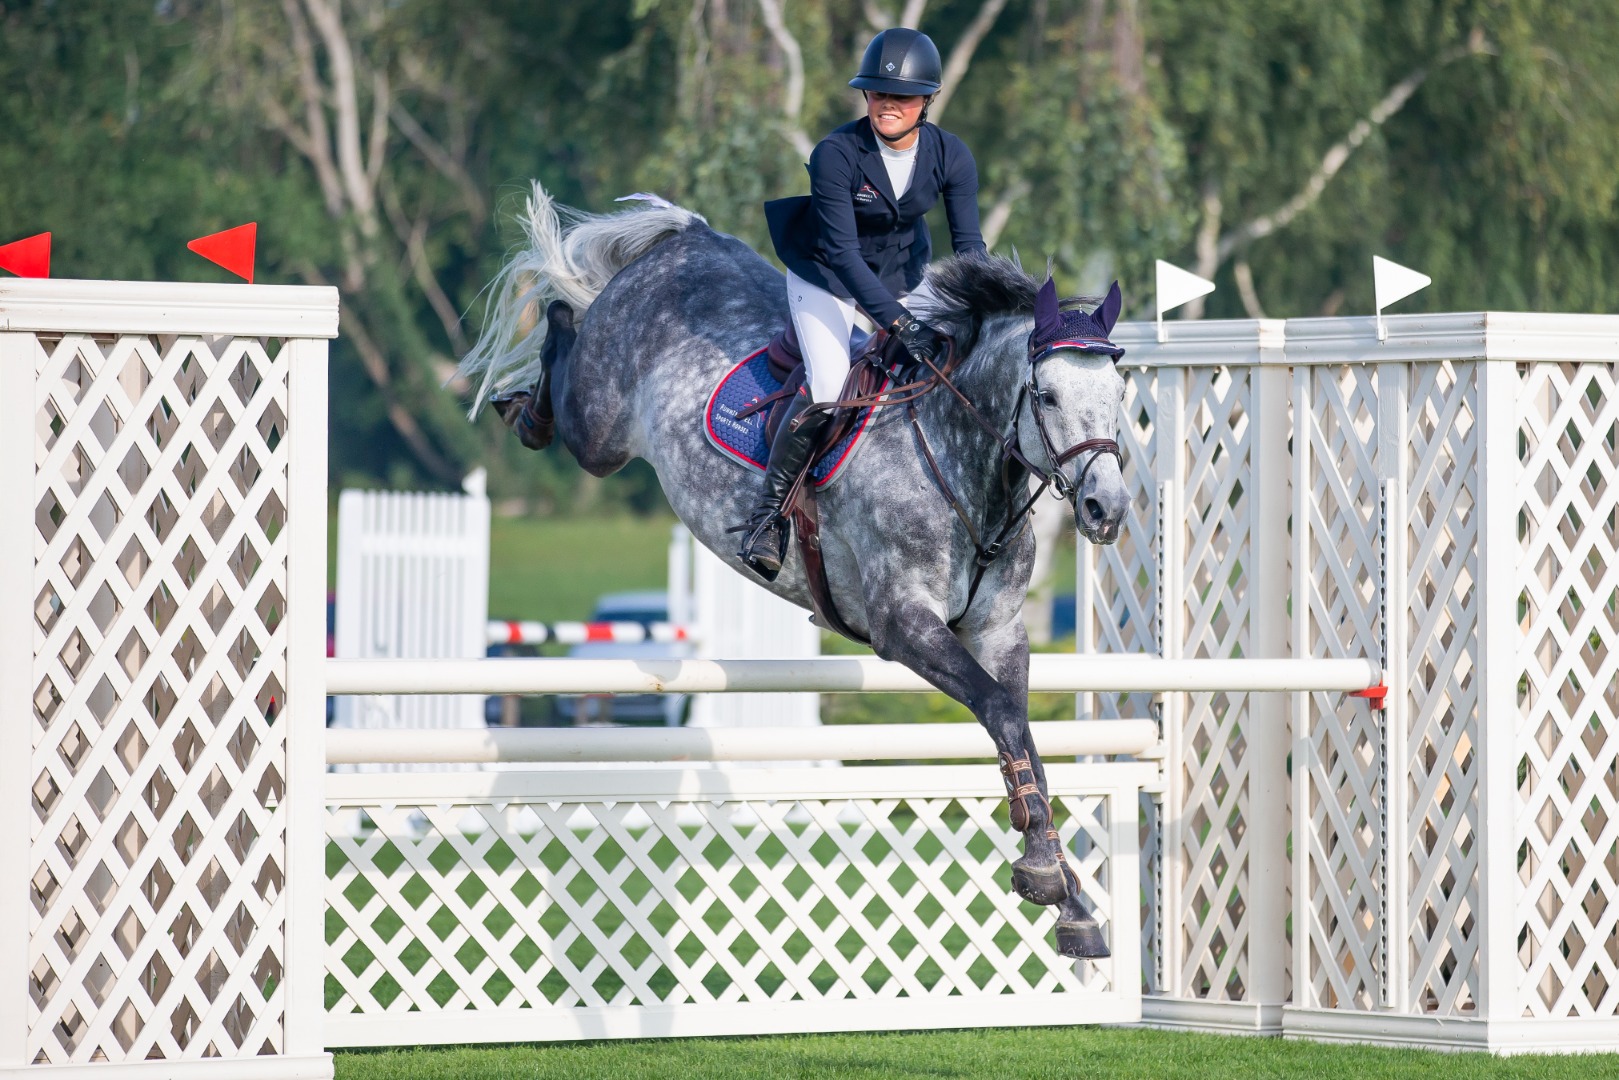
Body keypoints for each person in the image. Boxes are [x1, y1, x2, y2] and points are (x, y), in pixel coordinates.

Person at [737, 27, 988, 579]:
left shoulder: (951, 155)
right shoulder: (836, 153)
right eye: (877, 94)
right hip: (826, 275)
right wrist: (899, 322)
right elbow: (843, 255)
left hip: (904, 273)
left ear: (925, 101)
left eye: (900, 97)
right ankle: (767, 516)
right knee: (830, 386)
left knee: (948, 374)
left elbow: (969, 249)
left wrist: (984, 310)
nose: (887, 105)